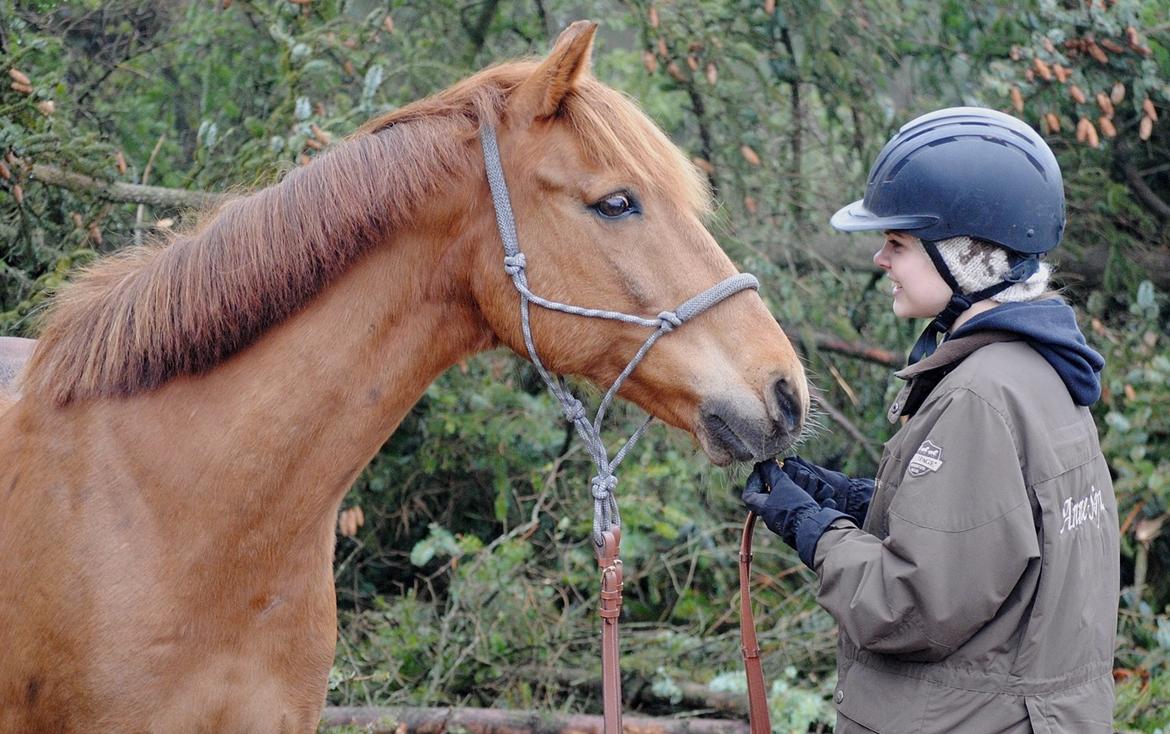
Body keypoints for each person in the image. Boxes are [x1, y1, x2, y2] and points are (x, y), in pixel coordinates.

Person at [741, 107, 1120, 733]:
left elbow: (909, 606)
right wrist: (853, 501)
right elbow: (993, 542)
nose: (878, 259)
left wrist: (815, 530)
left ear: (968, 256)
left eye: (898, 244)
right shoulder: (1040, 374)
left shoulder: (980, 395)